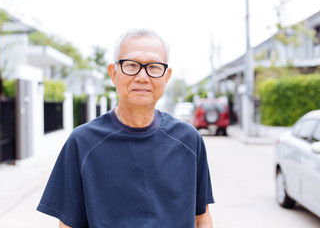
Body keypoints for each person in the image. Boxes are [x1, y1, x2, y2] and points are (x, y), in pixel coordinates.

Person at [37, 28, 215, 228]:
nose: (142, 77)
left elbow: (202, 218)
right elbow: (68, 224)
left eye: (154, 67)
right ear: (114, 73)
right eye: (131, 65)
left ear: (166, 76)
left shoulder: (189, 140)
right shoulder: (82, 142)